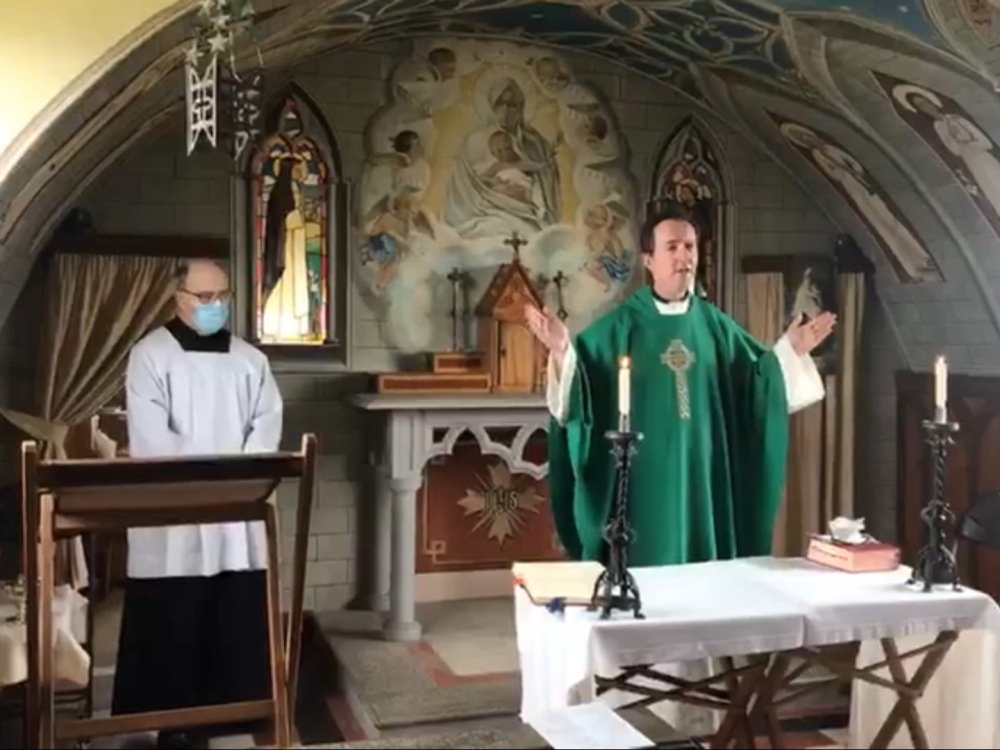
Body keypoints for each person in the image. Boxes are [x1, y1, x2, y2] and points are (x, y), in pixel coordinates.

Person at [526, 203, 836, 567]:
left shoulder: (716, 327)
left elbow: (757, 385)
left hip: (704, 477)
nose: (683, 256)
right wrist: (562, 349)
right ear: (649, 260)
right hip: (642, 482)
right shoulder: (618, 329)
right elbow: (582, 393)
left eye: (690, 247)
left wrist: (789, 351)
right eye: (672, 247)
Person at [112, 259, 283, 749]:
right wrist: (200, 488)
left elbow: (266, 423)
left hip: (236, 511)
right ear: (177, 298)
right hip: (175, 513)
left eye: (222, 296)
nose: (214, 307)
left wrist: (238, 482)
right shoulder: (151, 355)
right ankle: (169, 723)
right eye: (203, 297)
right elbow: (150, 436)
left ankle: (233, 716)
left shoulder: (251, 360)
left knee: (233, 612)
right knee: (173, 618)